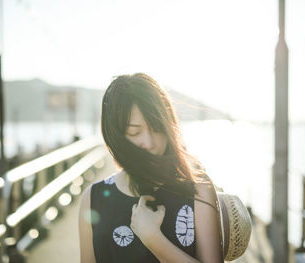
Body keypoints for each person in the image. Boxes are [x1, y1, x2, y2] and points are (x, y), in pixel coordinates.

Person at [78, 73, 223, 263]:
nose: (149, 142)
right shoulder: (93, 198)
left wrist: (154, 240)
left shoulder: (198, 189)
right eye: (134, 132)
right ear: (115, 135)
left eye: (156, 127)